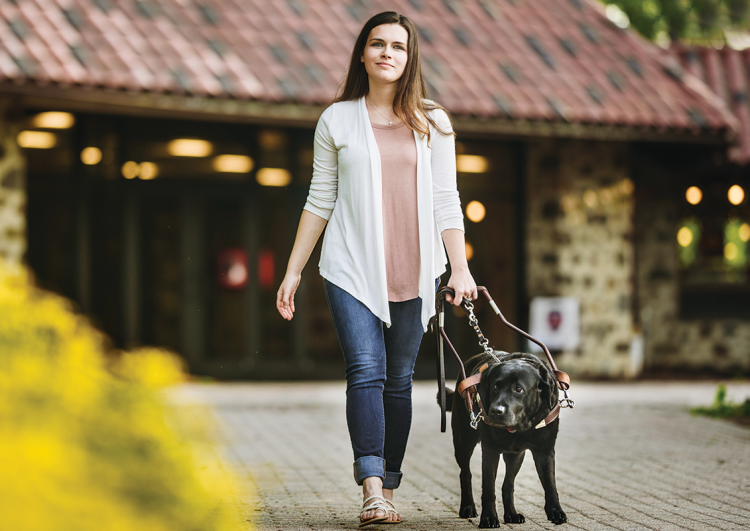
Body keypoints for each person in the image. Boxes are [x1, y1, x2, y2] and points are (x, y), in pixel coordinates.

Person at [276, 11, 477, 527]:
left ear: (410, 59)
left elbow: (446, 200)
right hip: (350, 267)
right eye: (377, 44)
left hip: (419, 268)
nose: (387, 53)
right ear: (362, 54)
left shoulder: (433, 121)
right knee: (365, 370)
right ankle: (371, 488)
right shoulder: (337, 120)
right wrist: (294, 270)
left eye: (398, 47)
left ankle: (389, 482)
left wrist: (460, 268)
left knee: (399, 380)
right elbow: (320, 198)